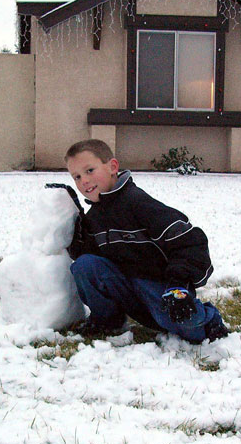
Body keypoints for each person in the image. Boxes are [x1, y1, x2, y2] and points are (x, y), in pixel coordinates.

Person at [64, 139, 229, 343]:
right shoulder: (95, 217)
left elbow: (190, 242)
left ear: (112, 167)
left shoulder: (138, 203)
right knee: (84, 265)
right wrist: (76, 219)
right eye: (77, 177)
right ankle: (108, 321)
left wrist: (178, 285)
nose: (84, 181)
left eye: (90, 170)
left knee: (190, 330)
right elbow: (91, 260)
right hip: (128, 289)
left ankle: (209, 319)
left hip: (160, 290)